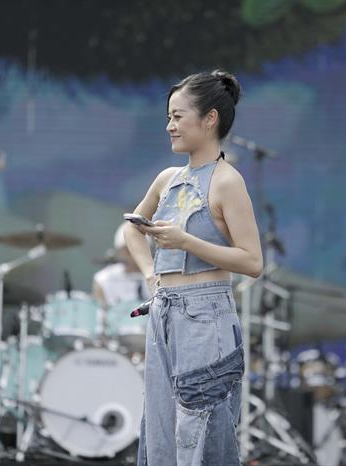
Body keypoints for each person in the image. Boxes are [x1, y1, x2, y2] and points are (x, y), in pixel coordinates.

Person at [124, 70, 263, 466]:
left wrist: (186, 242)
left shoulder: (227, 181)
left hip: (206, 315)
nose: (169, 126)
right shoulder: (167, 179)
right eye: (168, 117)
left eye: (178, 116)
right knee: (162, 434)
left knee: (201, 434)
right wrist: (151, 275)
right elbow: (132, 228)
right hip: (164, 311)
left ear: (209, 119)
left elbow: (252, 261)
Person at [92, 222, 150, 310]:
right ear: (119, 251)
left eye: (138, 248)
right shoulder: (103, 279)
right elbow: (100, 312)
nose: (133, 255)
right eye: (128, 250)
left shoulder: (157, 278)